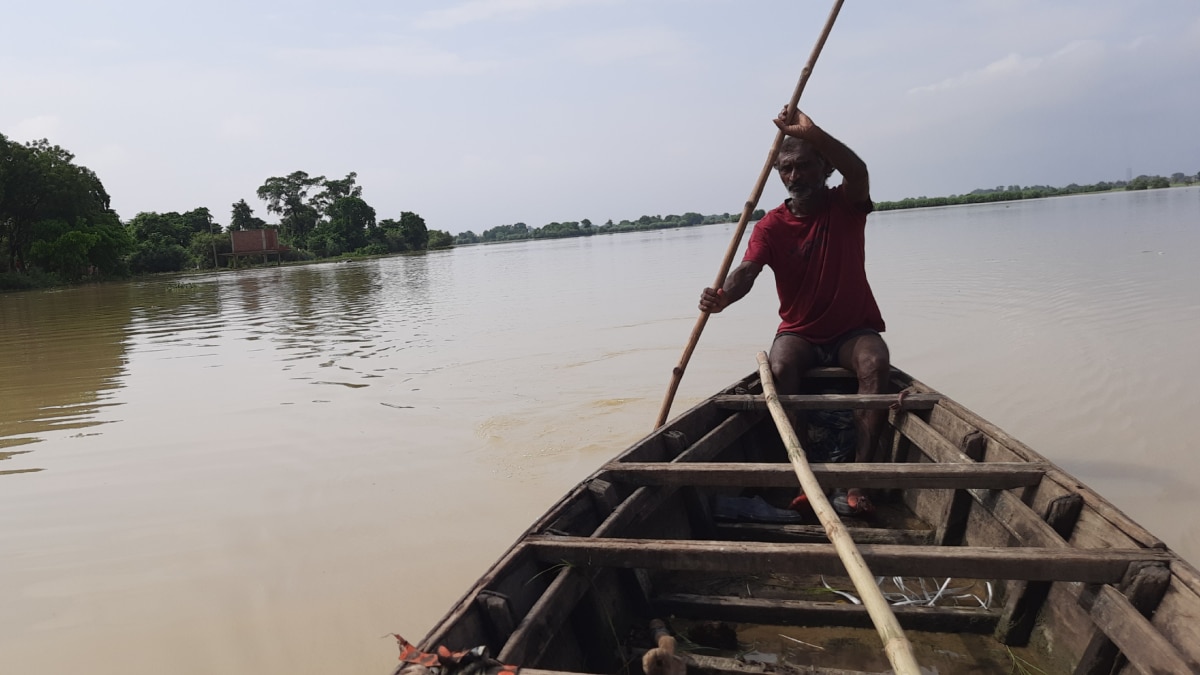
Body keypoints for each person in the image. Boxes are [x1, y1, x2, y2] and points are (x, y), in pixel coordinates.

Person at [698, 107, 888, 515]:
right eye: (785, 169)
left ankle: (860, 477)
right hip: (800, 333)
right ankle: (803, 475)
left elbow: (859, 170)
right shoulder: (771, 225)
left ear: (824, 167)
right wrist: (723, 298)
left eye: (803, 165)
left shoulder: (847, 204)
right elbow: (747, 271)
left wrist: (815, 133)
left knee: (874, 363)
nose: (793, 176)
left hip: (852, 331)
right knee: (780, 367)